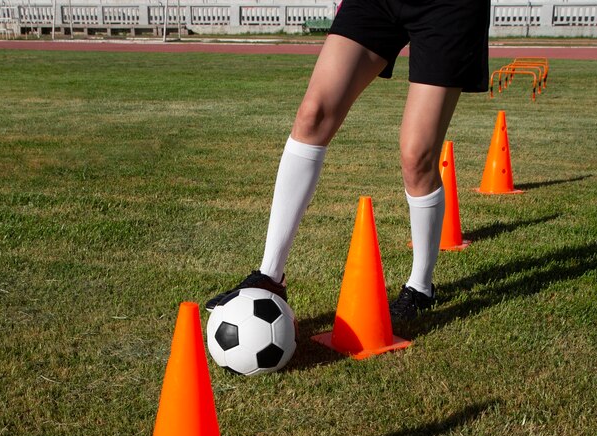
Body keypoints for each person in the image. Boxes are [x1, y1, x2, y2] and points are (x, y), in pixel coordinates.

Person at [206, 0, 491, 320]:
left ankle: (420, 289)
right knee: (313, 115)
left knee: (417, 156)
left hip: (445, 7)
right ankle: (270, 275)